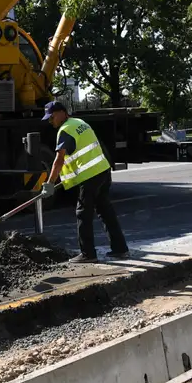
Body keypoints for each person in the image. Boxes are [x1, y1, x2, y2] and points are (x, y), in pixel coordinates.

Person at [39, 101, 129, 263]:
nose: (50, 121)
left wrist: (50, 183)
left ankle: (88, 254)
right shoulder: (80, 123)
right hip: (102, 171)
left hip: (90, 177)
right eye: (49, 118)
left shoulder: (65, 130)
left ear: (62, 113)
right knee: (105, 210)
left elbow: (58, 160)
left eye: (52, 117)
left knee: (83, 213)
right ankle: (120, 249)